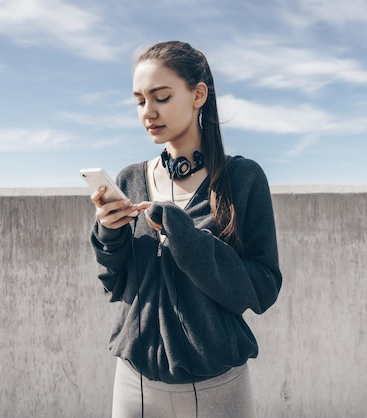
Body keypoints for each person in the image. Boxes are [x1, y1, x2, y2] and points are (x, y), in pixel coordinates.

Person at [89, 40, 282, 418]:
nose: (148, 112)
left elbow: (262, 287)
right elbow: (114, 282)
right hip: (134, 385)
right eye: (140, 100)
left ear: (198, 95)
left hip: (216, 388)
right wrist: (108, 234)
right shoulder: (131, 179)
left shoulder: (242, 179)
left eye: (161, 97)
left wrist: (185, 236)